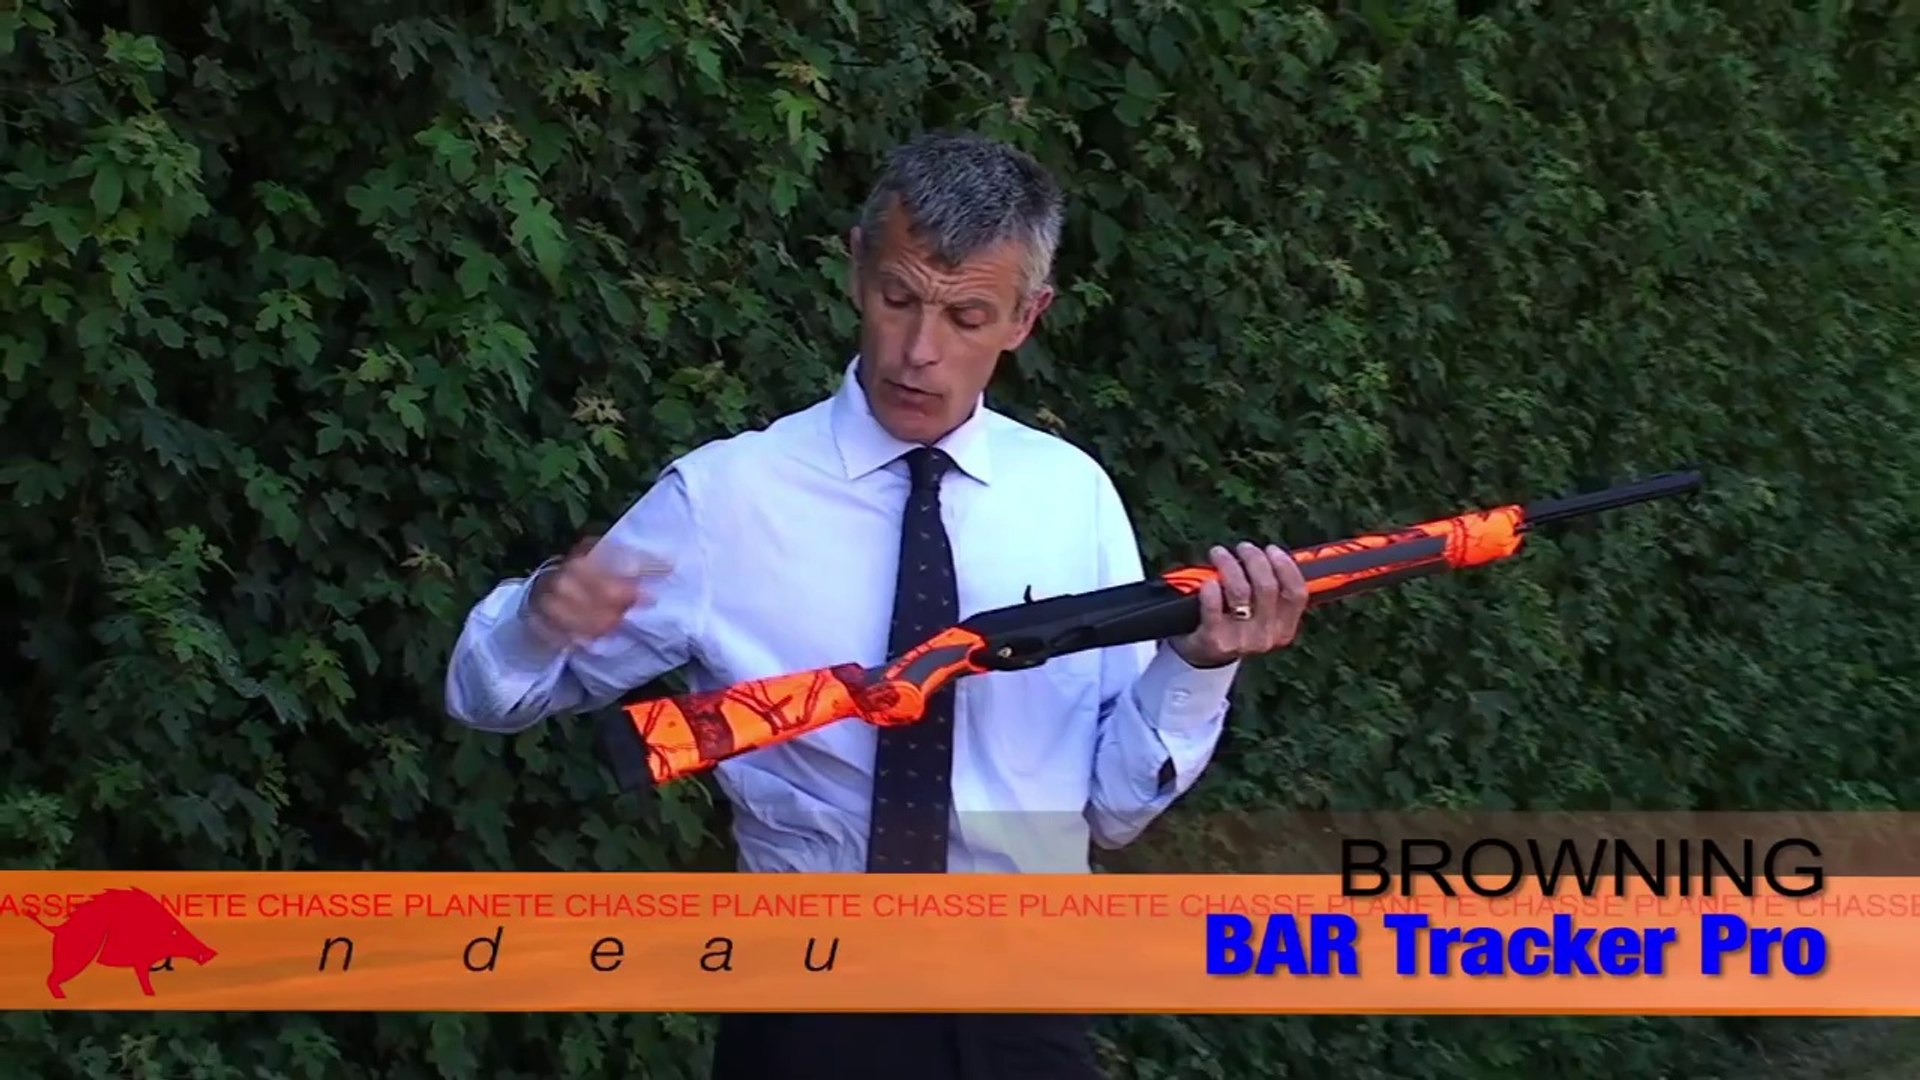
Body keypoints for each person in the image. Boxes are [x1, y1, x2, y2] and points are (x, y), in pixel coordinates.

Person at [444, 131, 1310, 1080]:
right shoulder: (725, 498)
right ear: (856, 266)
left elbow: (1111, 813)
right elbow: (491, 699)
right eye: (898, 298)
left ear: (1028, 316)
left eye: (967, 316)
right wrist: (539, 617)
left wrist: (1198, 667)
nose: (919, 352)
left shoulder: (1073, 498)